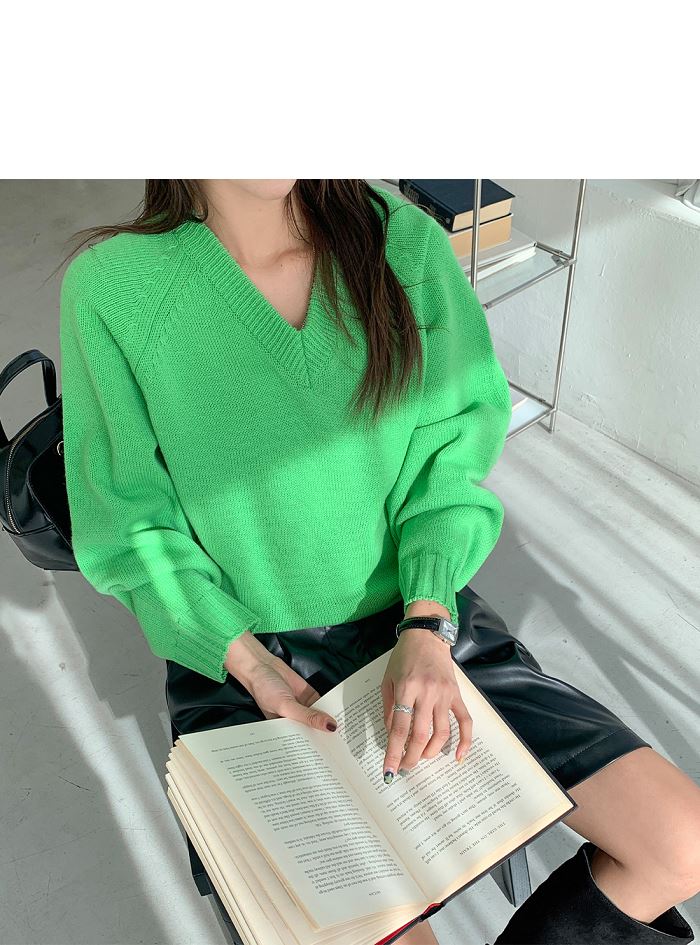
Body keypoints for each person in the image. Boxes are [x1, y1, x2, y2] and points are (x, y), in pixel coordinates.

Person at [58, 180, 700, 944]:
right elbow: (130, 524)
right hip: (243, 664)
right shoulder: (113, 287)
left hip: (415, 624)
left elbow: (448, 460)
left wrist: (426, 622)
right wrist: (253, 666)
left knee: (680, 841)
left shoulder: (402, 241)